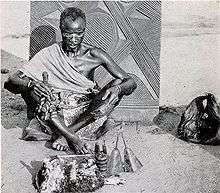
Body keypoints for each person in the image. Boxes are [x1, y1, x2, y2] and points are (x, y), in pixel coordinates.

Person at [4, 7, 137, 153]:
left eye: (78, 34)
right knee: (31, 90)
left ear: (84, 31)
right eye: (68, 34)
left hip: (86, 115)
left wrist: (117, 89)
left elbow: (130, 82)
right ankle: (73, 138)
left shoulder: (94, 54)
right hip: (55, 114)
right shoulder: (50, 52)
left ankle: (65, 134)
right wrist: (31, 85)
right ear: (61, 30)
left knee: (118, 84)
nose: (73, 39)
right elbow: (10, 82)